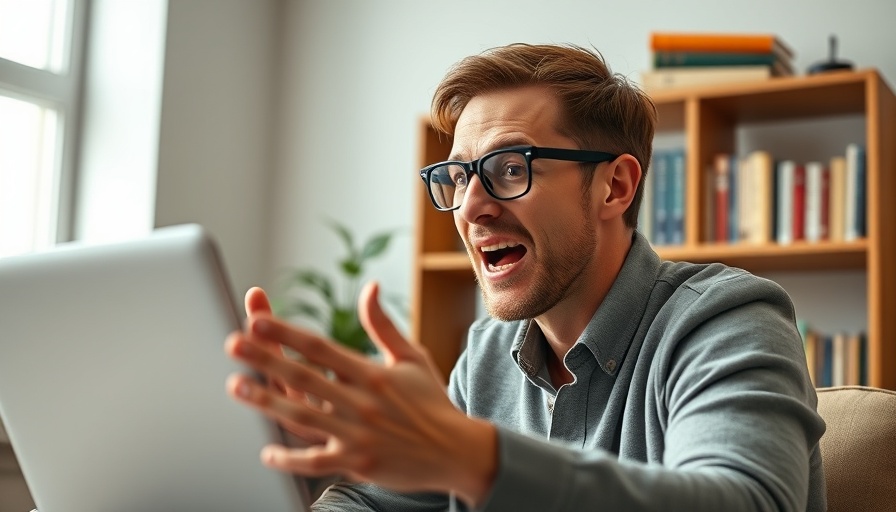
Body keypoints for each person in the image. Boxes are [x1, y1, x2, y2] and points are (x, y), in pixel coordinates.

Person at [224, 43, 826, 511]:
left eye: (511, 168)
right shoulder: (487, 354)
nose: (469, 206)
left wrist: (476, 459)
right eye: (458, 178)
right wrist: (312, 472)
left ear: (614, 186)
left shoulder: (729, 320)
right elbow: (379, 505)